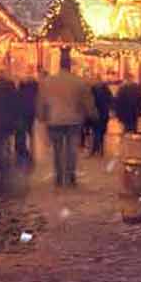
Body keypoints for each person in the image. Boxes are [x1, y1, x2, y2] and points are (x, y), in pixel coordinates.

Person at [36, 51, 97, 187]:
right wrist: (92, 113)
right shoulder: (78, 82)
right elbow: (87, 100)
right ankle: (70, 176)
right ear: (70, 65)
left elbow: (42, 101)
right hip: (73, 119)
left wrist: (41, 115)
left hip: (55, 119)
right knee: (71, 149)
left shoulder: (48, 81)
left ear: (59, 65)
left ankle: (59, 176)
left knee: (57, 150)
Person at [88, 78, 113, 157]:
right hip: (103, 113)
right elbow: (110, 100)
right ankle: (100, 149)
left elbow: (90, 101)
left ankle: (95, 149)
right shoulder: (106, 90)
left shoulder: (92, 90)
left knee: (95, 131)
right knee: (101, 132)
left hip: (95, 113)